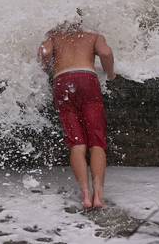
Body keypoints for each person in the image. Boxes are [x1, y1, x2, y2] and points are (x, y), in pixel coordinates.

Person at [38, 19, 115, 209]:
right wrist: (110, 73)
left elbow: (44, 52)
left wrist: (46, 68)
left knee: (77, 143)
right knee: (97, 142)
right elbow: (106, 52)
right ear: (80, 21)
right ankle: (99, 196)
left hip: (62, 82)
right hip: (87, 79)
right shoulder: (93, 36)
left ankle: (86, 196)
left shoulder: (55, 38)